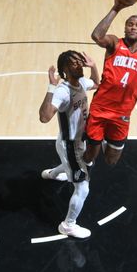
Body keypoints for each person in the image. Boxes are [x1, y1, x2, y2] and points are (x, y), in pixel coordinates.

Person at [84, 2, 137, 167]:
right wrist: (115, 9)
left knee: (111, 160)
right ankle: (75, 171)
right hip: (100, 109)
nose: (133, 27)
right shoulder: (115, 43)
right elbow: (97, 37)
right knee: (89, 156)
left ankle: (101, 140)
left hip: (122, 114)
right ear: (125, 28)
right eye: (130, 24)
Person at [38, 50, 99, 238]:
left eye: (79, 62)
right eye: (74, 63)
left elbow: (97, 83)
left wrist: (94, 66)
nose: (79, 65)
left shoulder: (80, 82)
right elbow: (44, 117)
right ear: (64, 69)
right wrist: (51, 86)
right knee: (83, 188)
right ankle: (68, 225)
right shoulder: (62, 91)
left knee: (81, 166)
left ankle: (53, 174)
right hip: (70, 146)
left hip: (80, 142)